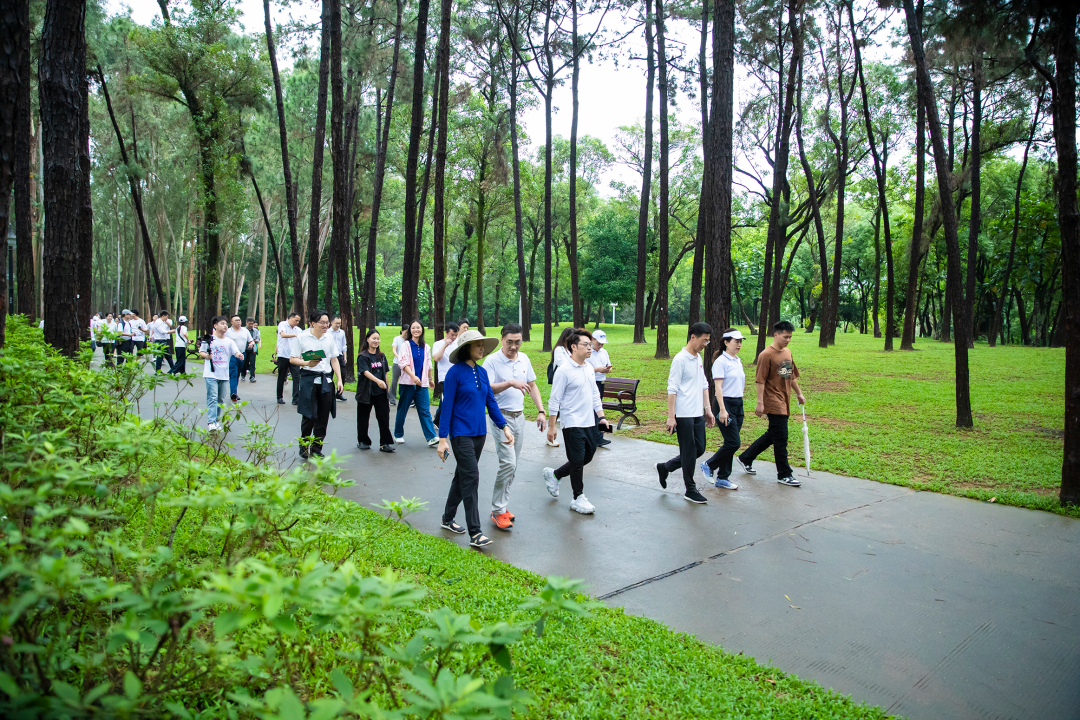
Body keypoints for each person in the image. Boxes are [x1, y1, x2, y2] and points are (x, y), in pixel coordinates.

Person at [437, 329, 513, 549]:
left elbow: (491, 403)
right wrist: (443, 439)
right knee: (471, 478)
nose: (482, 348)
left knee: (462, 477)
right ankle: (475, 532)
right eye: (477, 344)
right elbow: (447, 407)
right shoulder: (454, 373)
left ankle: (447, 518)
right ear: (465, 348)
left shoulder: (482, 373)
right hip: (461, 435)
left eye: (482, 344)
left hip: (479, 434)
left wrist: (504, 427)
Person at [543, 329, 613, 514]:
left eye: (591, 345)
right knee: (576, 460)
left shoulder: (589, 368)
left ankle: (555, 475)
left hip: (589, 421)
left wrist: (602, 417)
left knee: (586, 457)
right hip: (572, 422)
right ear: (573, 347)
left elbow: (595, 395)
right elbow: (554, 400)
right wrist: (551, 427)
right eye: (586, 345)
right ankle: (577, 497)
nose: (590, 348)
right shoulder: (564, 371)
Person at [484, 323, 546, 531]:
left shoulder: (524, 359)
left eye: (517, 342)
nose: (513, 346)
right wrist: (510, 382)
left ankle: (503, 506)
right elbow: (487, 388)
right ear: (502, 339)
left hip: (519, 418)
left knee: (513, 464)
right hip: (500, 418)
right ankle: (497, 509)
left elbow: (533, 385)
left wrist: (541, 411)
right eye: (509, 342)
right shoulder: (492, 361)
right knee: (508, 463)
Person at [737, 320, 806, 487]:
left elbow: (791, 376)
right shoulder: (765, 355)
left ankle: (745, 457)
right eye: (785, 336)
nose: (788, 340)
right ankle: (784, 474)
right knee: (781, 437)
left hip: (785, 398)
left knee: (773, 435)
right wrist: (760, 403)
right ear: (776, 334)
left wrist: (799, 393)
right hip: (773, 401)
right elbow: (760, 381)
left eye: (790, 337)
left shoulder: (787, 352)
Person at [656, 322, 715, 505]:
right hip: (683, 414)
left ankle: (665, 467)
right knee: (689, 451)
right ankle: (690, 489)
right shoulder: (680, 359)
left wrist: (708, 410)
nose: (706, 344)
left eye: (708, 340)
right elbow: (672, 389)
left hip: (697, 412)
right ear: (693, 337)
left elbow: (704, 385)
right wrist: (671, 416)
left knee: (699, 448)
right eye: (704, 340)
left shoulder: (697, 358)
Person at [290, 310, 344, 459]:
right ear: (312, 323)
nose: (326, 325)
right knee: (310, 415)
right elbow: (293, 359)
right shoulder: (302, 338)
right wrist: (306, 363)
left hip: (326, 380)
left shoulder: (329, 338)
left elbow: (334, 359)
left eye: (327, 322)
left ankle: (316, 449)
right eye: (322, 322)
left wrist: (339, 379)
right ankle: (304, 445)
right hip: (309, 379)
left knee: (322, 416)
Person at [700, 329, 746, 490]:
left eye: (741, 341)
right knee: (734, 442)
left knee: (730, 442)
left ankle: (723, 477)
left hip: (737, 403)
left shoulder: (737, 360)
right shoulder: (721, 362)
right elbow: (718, 388)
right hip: (724, 403)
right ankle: (709, 464)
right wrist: (723, 410)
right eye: (736, 341)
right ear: (726, 342)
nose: (739, 344)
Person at [393, 320, 438, 446]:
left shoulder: (426, 347)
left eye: (418, 328)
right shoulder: (405, 345)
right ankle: (398, 434)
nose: (416, 330)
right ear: (410, 330)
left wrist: (430, 379)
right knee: (403, 409)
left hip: (422, 384)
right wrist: (413, 376)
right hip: (407, 383)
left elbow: (429, 364)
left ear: (422, 329)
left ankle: (431, 438)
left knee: (425, 411)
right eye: (413, 328)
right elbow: (403, 363)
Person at [198, 316, 244, 432]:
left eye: (226, 324)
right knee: (212, 398)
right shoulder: (209, 339)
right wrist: (207, 356)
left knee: (220, 399)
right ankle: (211, 422)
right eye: (222, 323)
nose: (225, 326)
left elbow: (235, 351)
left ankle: (216, 421)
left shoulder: (229, 341)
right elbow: (201, 352)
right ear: (215, 326)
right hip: (211, 374)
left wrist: (239, 355)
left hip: (223, 374)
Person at [356, 329, 394, 452]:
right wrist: (377, 381)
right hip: (366, 392)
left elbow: (385, 374)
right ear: (367, 339)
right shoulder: (363, 356)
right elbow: (365, 372)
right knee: (363, 417)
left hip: (380, 393)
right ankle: (363, 441)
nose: (376, 341)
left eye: (378, 338)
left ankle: (385, 443)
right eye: (373, 338)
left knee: (384, 417)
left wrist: (386, 388)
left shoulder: (381, 356)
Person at [545, 326, 577, 447]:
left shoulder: (569, 350)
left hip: (569, 383)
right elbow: (563, 364)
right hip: (561, 382)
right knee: (556, 408)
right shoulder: (559, 349)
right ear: (566, 337)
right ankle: (550, 435)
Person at [587, 329, 614, 447]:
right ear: (592, 340)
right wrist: (598, 369)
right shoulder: (588, 352)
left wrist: (608, 369)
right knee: (593, 409)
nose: (601, 345)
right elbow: (584, 369)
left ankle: (599, 436)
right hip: (592, 382)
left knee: (599, 408)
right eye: (599, 343)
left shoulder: (604, 352)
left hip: (602, 381)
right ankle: (596, 437)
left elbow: (609, 366)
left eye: (603, 343)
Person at [431, 322, 460, 427]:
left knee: (449, 399)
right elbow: (436, 358)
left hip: (457, 376)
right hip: (444, 377)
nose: (454, 337)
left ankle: (438, 421)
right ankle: (445, 423)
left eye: (456, 335)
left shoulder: (458, 343)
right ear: (446, 332)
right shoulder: (438, 344)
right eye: (452, 334)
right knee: (448, 399)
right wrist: (445, 345)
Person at [224, 316, 254, 402]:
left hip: (242, 355)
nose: (238, 321)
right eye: (236, 320)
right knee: (233, 373)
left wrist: (251, 344)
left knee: (237, 374)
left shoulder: (245, 331)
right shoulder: (228, 332)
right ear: (231, 322)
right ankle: (233, 393)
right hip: (232, 356)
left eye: (239, 320)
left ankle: (234, 392)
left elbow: (251, 340)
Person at [276, 312, 302, 405]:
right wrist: (294, 335)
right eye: (296, 320)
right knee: (282, 376)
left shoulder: (298, 330)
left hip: (294, 356)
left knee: (296, 377)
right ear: (290, 318)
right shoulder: (282, 324)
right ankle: (279, 397)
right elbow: (282, 335)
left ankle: (295, 398)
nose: (297, 322)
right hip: (283, 355)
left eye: (299, 321)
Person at [389, 326, 409, 406]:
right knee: (394, 381)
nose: (407, 334)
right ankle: (392, 399)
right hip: (397, 363)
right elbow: (394, 350)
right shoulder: (397, 338)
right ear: (402, 331)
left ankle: (407, 399)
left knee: (407, 382)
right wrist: (399, 358)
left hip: (406, 364)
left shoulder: (409, 340)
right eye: (406, 331)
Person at [329, 316, 347, 400]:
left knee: (342, 374)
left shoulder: (342, 332)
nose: (338, 325)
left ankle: (339, 393)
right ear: (331, 322)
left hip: (339, 355)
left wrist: (345, 356)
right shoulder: (327, 332)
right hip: (330, 356)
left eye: (339, 323)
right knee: (330, 375)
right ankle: (330, 393)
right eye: (336, 323)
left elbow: (344, 345)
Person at [241, 317, 261, 383]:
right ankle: (243, 375)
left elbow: (258, 339)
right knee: (245, 363)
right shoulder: (242, 330)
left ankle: (252, 376)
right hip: (244, 349)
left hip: (252, 350)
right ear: (246, 323)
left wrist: (252, 341)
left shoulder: (256, 330)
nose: (251, 325)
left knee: (252, 363)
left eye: (252, 324)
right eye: (249, 324)